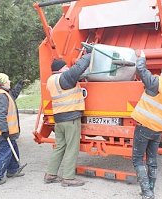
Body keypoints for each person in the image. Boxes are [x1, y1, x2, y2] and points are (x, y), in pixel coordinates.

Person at [131, 51, 162, 199]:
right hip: (157, 130)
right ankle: (150, 189)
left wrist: (142, 58)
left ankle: (146, 192)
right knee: (152, 160)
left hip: (144, 126)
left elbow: (141, 70)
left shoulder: (157, 83)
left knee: (137, 159)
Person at [44, 53, 91, 187]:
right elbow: (79, 67)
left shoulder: (51, 80)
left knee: (60, 146)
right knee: (72, 147)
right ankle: (68, 178)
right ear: (60, 69)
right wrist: (91, 53)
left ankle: (50, 174)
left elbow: (76, 74)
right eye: (65, 66)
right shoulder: (64, 78)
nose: (67, 68)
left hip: (59, 119)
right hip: (70, 119)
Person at [0, 73, 26, 186]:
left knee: (13, 148)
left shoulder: (5, 94)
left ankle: (13, 170)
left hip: (8, 131)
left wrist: (19, 85)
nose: (10, 81)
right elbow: (0, 115)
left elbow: (13, 95)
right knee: (5, 153)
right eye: (8, 80)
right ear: (3, 82)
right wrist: (4, 131)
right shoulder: (1, 96)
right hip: (4, 131)